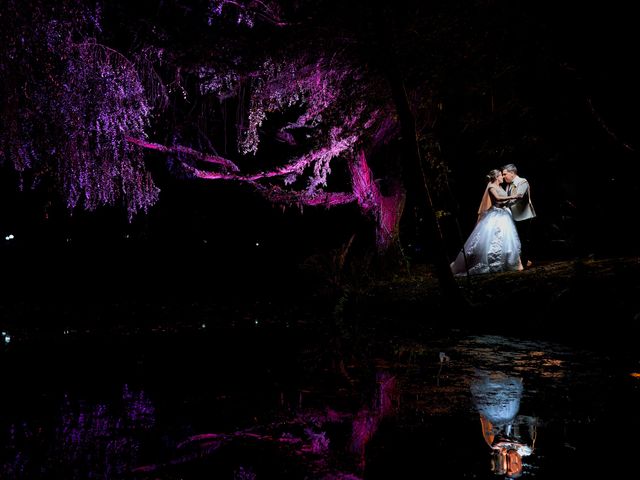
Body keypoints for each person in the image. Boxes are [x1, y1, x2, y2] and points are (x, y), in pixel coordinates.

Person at [450, 169, 523, 276]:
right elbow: (498, 199)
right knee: (492, 238)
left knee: (506, 239)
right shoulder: (491, 187)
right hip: (496, 215)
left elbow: (504, 200)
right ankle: (492, 263)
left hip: (504, 214)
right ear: (496, 177)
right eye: (500, 175)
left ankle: (507, 262)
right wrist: (513, 196)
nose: (502, 177)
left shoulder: (500, 187)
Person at [470, 370, 537, 479]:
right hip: (518, 409)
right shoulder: (526, 451)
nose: (511, 461)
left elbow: (486, 425)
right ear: (519, 464)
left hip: (502, 408)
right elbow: (529, 436)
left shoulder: (499, 448)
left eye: (509, 466)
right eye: (514, 465)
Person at [501, 164, 536, 269]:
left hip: (523, 216)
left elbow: (518, 198)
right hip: (513, 216)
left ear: (512, 173)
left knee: (524, 239)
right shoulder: (508, 185)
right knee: (516, 240)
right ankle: (520, 261)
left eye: (505, 174)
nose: (503, 176)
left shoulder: (522, 182)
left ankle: (524, 262)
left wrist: (504, 204)